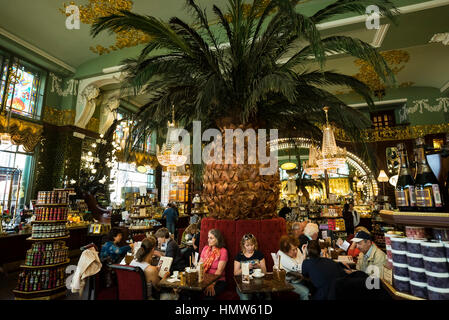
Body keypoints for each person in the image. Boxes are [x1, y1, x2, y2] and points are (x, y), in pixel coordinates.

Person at [234, 233, 268, 300]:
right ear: (243, 245)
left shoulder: (259, 254)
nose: (250, 247)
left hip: (258, 283)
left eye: (252, 245)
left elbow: (265, 272)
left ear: (255, 244)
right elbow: (235, 273)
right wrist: (246, 267)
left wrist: (259, 266)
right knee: (246, 298)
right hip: (243, 284)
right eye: (247, 245)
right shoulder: (239, 256)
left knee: (266, 296)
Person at [277, 235, 310, 300]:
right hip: (288, 283)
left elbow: (303, 264)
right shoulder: (281, 256)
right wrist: (304, 255)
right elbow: (299, 268)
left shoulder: (296, 250)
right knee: (306, 292)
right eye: (293, 250)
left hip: (300, 279)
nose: (296, 251)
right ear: (285, 250)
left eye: (296, 248)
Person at [199, 229, 228, 299]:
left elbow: (219, 271)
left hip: (218, 281)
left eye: (211, 238)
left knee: (208, 296)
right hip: (204, 278)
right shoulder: (205, 248)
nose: (208, 240)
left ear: (217, 239)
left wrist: (211, 284)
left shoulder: (223, 251)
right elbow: (200, 265)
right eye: (208, 237)